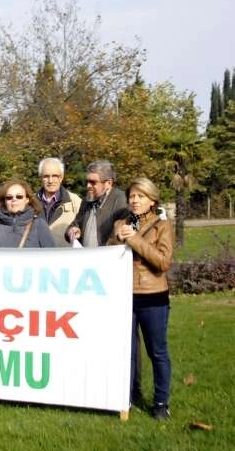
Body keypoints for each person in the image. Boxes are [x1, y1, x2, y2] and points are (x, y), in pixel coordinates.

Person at [108, 178, 173, 420]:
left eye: (141, 196)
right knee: (127, 351)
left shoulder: (162, 226)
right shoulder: (120, 223)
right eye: (132, 196)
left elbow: (162, 262)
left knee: (157, 351)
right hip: (124, 295)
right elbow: (108, 254)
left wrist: (134, 238)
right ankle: (128, 395)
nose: (135, 201)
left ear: (152, 200)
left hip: (152, 296)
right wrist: (117, 238)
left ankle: (161, 402)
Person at [66, 160, 128, 247]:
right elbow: (75, 224)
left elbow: (122, 237)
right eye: (87, 181)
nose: (88, 186)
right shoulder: (86, 200)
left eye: (93, 182)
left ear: (109, 183)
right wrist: (72, 230)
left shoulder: (122, 201)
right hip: (85, 254)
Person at [0, 180, 55, 248]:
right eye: (9, 197)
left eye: (19, 196)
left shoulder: (39, 225)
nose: (14, 199)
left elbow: (51, 255)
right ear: (4, 201)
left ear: (27, 199)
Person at [35, 158, 82, 248]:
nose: (50, 181)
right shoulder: (29, 203)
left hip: (64, 256)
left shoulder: (75, 202)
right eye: (46, 176)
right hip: (36, 256)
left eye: (55, 176)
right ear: (40, 178)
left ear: (61, 177)